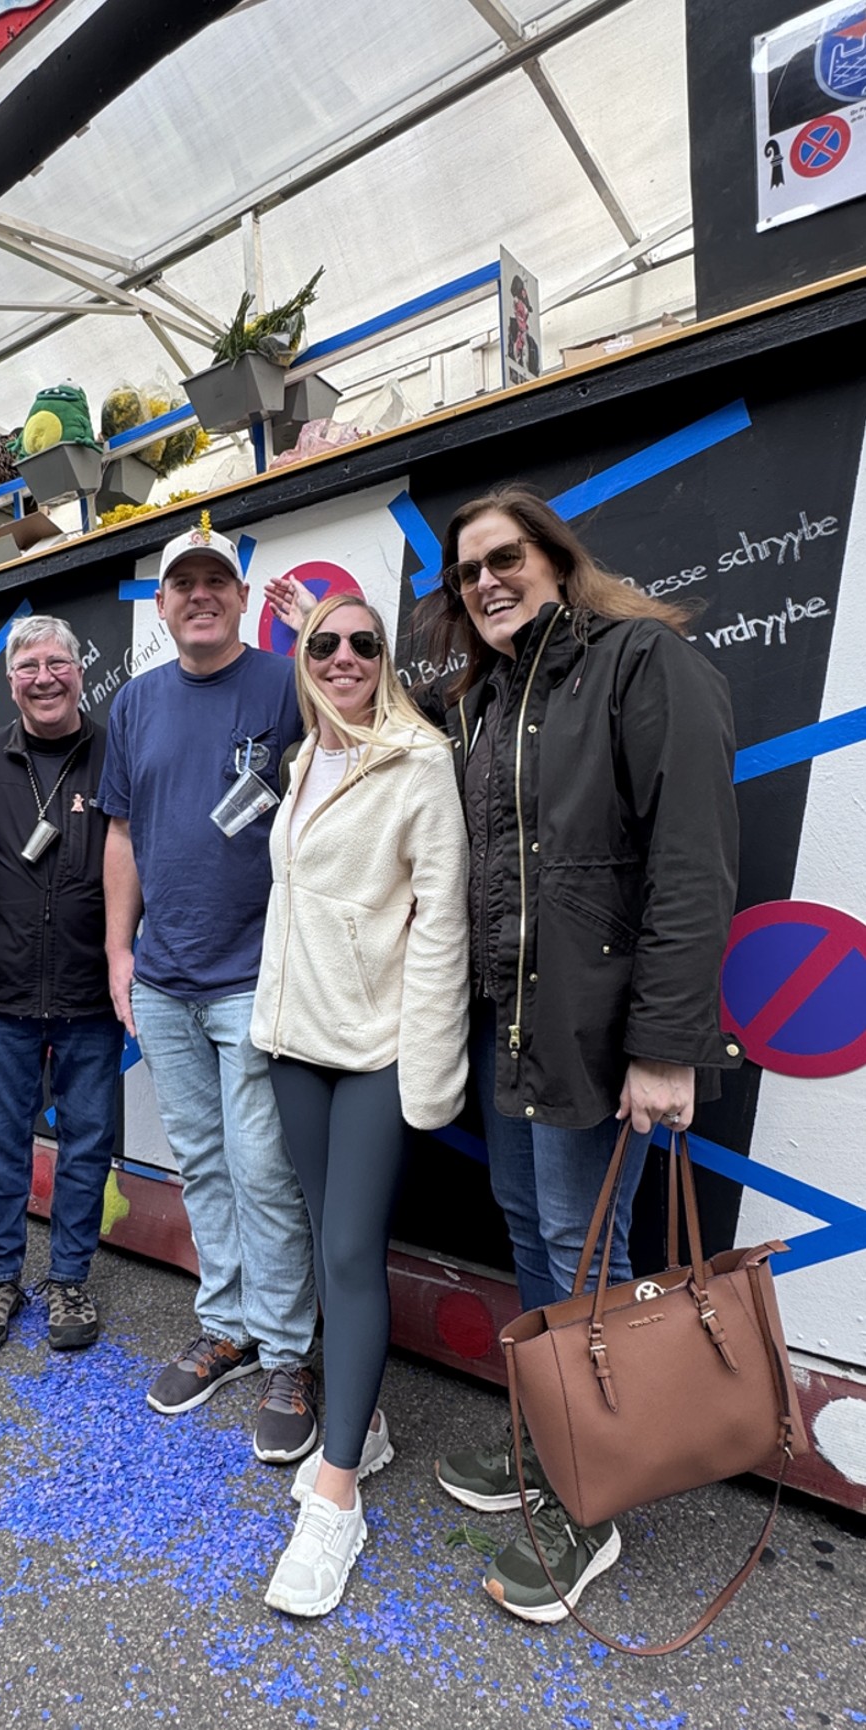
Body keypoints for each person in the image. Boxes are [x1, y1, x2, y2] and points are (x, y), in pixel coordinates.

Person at [415, 486, 740, 1624]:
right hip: (511, 1023)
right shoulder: (490, 698)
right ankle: (555, 1436)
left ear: (555, 558)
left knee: (583, 1247)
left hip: (601, 1036)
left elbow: (692, 864)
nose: (486, 581)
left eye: (505, 557)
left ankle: (589, 1496)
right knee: (531, 1225)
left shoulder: (642, 661)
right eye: (468, 572)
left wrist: (666, 1048)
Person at [250, 593, 469, 1617]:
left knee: (347, 1251)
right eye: (323, 644)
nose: (342, 657)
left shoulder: (418, 761)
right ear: (302, 660)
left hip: (376, 1050)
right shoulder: (303, 761)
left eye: (362, 643)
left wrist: (425, 1070)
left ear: (386, 659)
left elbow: (439, 925)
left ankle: (335, 1494)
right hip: (294, 1044)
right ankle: (363, 1424)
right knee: (322, 1237)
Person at [99, 517, 319, 1464]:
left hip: (255, 979)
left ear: (239, 598)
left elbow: (365, 748)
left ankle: (288, 1354)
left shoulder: (286, 682)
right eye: (182, 585)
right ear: (161, 605)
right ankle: (227, 1329)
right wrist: (119, 952)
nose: (199, 596)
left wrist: (316, 636)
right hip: (163, 981)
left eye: (214, 583)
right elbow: (120, 834)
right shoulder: (135, 703)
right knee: (201, 1163)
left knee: (264, 1170)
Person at [0, 614, 122, 1353]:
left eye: (58, 663)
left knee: (86, 1147)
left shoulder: (118, 750)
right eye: (28, 667)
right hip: (4, 998)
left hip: (92, 995)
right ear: (10, 679)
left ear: (81, 671)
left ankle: (69, 1279)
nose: (44, 678)